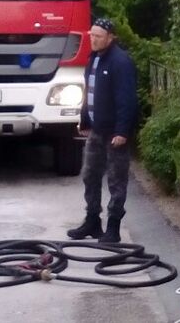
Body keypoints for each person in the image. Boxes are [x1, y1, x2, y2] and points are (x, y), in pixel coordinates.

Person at [67, 17, 138, 243]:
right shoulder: (93, 59)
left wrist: (122, 131)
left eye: (98, 36)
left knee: (116, 180)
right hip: (96, 130)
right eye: (92, 35)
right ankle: (92, 220)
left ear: (110, 37)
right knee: (90, 175)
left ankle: (113, 226)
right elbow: (89, 92)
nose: (94, 39)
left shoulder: (120, 62)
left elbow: (127, 99)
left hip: (114, 132)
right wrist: (85, 120)